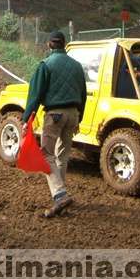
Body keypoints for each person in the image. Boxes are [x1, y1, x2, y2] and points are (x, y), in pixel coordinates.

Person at [21, 31, 87, 218]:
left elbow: (35, 94)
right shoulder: (76, 66)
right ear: (64, 45)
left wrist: (26, 119)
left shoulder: (46, 65)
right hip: (74, 114)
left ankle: (59, 195)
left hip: (55, 115)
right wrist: (79, 118)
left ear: (49, 45)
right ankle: (61, 196)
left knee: (46, 154)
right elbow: (83, 93)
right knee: (62, 156)